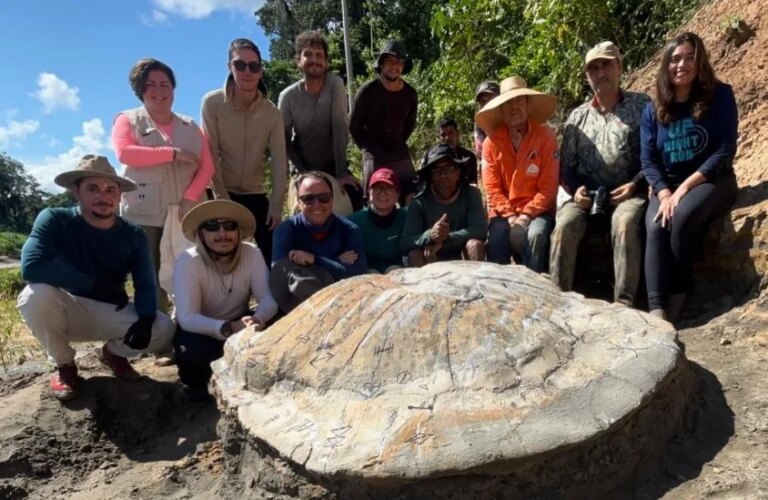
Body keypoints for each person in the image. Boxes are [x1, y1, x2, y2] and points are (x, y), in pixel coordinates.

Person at [16, 155, 176, 401]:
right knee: (34, 295)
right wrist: (94, 284)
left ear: (120, 194)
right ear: (76, 191)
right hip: (67, 307)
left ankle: (113, 354)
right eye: (93, 188)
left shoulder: (133, 234)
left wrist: (145, 318)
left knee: (163, 328)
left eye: (111, 189)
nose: (103, 196)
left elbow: (145, 283)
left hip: (110, 310)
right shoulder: (54, 219)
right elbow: (31, 266)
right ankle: (65, 366)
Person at [641, 32, 739, 322]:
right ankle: (656, 315)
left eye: (688, 57)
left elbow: (724, 149)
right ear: (666, 66)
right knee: (657, 225)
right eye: (674, 59)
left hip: (712, 181)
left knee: (681, 215)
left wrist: (683, 188)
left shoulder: (720, 96)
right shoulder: (653, 109)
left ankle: (676, 305)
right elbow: (648, 160)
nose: (681, 64)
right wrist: (664, 193)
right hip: (666, 188)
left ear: (700, 62)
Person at [550, 42, 651, 305]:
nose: (601, 72)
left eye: (607, 64)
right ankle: (558, 302)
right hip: (587, 197)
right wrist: (576, 190)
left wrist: (635, 185)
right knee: (563, 226)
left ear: (619, 66)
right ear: (587, 76)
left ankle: (624, 304)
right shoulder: (577, 117)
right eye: (593, 68)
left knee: (625, 223)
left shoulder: (642, 106)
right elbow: (567, 168)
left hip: (628, 193)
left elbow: (654, 155)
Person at [112, 58, 215, 311]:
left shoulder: (190, 125)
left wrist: (191, 197)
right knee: (150, 274)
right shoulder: (128, 120)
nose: (159, 92)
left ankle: (192, 323)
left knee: (192, 266)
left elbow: (208, 167)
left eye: (165, 85)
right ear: (140, 90)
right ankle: (156, 331)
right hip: (144, 213)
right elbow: (124, 152)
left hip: (187, 211)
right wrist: (172, 153)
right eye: (151, 85)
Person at [173, 200, 278, 403]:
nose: (222, 234)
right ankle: (196, 389)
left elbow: (267, 298)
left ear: (238, 232)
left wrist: (258, 318)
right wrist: (227, 328)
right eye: (212, 227)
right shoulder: (188, 261)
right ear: (201, 234)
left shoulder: (251, 253)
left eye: (229, 226)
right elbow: (187, 318)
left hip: (242, 323)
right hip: (201, 329)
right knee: (191, 354)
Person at [201, 38, 287, 265]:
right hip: (221, 190)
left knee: (274, 251)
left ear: (260, 71)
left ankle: (276, 298)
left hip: (255, 192)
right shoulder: (212, 103)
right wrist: (222, 199)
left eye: (253, 66)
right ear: (230, 66)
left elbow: (279, 161)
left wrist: (276, 206)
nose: (247, 71)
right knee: (218, 253)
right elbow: (209, 153)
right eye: (240, 65)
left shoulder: (272, 113)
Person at [476, 76, 559, 273]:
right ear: (501, 109)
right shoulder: (490, 144)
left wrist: (526, 216)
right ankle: (498, 294)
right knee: (496, 239)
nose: (514, 107)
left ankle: (537, 292)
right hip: (503, 214)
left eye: (519, 100)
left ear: (528, 104)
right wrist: (512, 217)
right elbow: (492, 190)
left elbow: (548, 188)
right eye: (509, 102)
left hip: (538, 211)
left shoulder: (546, 137)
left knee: (536, 235)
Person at [278, 30, 363, 212]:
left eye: (319, 55)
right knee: (299, 209)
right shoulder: (287, 96)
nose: (314, 60)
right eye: (308, 54)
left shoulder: (335, 85)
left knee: (356, 196)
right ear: (298, 61)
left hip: (332, 164)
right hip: (302, 165)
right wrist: (302, 172)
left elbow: (339, 128)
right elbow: (283, 140)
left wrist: (341, 173)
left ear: (326, 63)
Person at [271, 172, 367, 312]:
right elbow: (281, 276)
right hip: (298, 308)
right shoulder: (285, 231)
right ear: (298, 201)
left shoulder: (349, 229)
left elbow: (359, 271)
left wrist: (313, 259)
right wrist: (336, 263)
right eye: (308, 198)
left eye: (323, 197)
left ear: (332, 199)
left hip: (345, 303)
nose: (317, 204)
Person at [349, 39, 418, 204]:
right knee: (372, 196)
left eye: (399, 62)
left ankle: (411, 227)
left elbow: (410, 125)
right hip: (373, 150)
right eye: (390, 61)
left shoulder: (410, 93)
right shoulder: (367, 91)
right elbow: (354, 126)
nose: (395, 66)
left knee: (413, 194)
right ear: (380, 64)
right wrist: (367, 148)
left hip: (398, 147)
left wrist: (396, 140)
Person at [401, 143, 487, 266]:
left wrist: (447, 238)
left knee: (475, 245)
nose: (443, 176)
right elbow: (405, 242)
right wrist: (429, 235)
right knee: (414, 253)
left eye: (448, 169)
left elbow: (480, 229)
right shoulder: (419, 202)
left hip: (463, 256)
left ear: (458, 173)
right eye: (437, 171)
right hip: (430, 258)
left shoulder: (471, 194)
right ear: (430, 176)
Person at [347, 168, 408, 273]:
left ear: (397, 194)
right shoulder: (353, 221)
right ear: (369, 193)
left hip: (398, 270)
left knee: (395, 271)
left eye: (388, 188)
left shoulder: (407, 216)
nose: (382, 192)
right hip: (365, 273)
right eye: (377, 188)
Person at [437, 117, 479, 185]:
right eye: (443, 135)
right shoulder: (433, 160)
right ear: (439, 137)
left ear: (457, 134)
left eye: (450, 133)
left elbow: (472, 185)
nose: (447, 138)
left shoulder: (468, 158)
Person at [473, 81, 501, 158]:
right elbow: (480, 152)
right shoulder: (479, 122)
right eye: (483, 101)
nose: (487, 104)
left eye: (490, 99)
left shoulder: (510, 117)